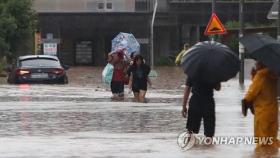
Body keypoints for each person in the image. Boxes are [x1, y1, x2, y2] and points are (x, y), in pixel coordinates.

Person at [242, 61, 279, 148]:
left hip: (262, 113)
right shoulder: (275, 75)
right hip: (274, 112)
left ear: (262, 64)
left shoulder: (260, 75)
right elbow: (263, 87)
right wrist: (254, 77)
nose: (255, 65)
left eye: (257, 63)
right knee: (272, 141)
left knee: (261, 142)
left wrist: (245, 100)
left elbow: (252, 92)